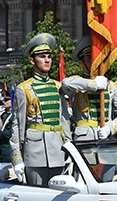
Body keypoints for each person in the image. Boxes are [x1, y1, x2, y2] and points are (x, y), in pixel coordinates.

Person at [8, 33, 71, 186]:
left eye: (49, 56)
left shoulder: (58, 87)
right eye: (42, 56)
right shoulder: (24, 89)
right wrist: (17, 158)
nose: (47, 60)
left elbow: (64, 121)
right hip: (35, 153)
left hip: (58, 150)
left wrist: (70, 148)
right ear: (32, 60)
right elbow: (17, 125)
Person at [61, 36, 117, 142]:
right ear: (81, 63)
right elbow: (65, 84)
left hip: (106, 138)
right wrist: (93, 84)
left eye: (97, 57)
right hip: (84, 138)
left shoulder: (110, 85)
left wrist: (110, 127)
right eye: (90, 58)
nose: (95, 61)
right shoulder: (77, 83)